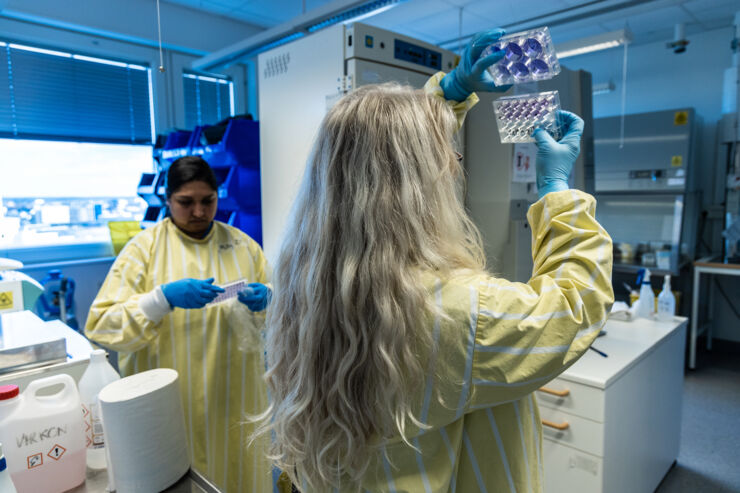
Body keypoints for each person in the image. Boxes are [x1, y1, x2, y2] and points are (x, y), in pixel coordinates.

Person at [257, 28, 613, 492]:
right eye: (445, 153)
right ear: (415, 184)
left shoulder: (304, 283)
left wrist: (451, 92)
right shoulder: (459, 309)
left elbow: (376, 138)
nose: (455, 160)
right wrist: (557, 194)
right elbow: (574, 306)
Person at [86, 156, 273, 492]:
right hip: (169, 406)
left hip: (235, 400)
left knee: (239, 476)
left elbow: (283, 316)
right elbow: (101, 324)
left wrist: (270, 298)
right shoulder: (143, 251)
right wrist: (161, 300)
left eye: (208, 201)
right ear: (168, 199)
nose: (199, 212)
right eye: (186, 203)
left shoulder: (244, 246)